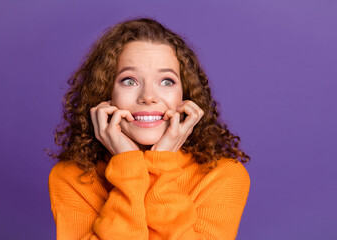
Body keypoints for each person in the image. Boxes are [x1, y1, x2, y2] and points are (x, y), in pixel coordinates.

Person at [48, 17, 250, 240]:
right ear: (106, 95)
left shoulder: (223, 175)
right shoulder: (72, 177)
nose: (148, 97)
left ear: (185, 96)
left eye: (166, 81)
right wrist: (127, 163)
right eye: (129, 81)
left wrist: (161, 165)